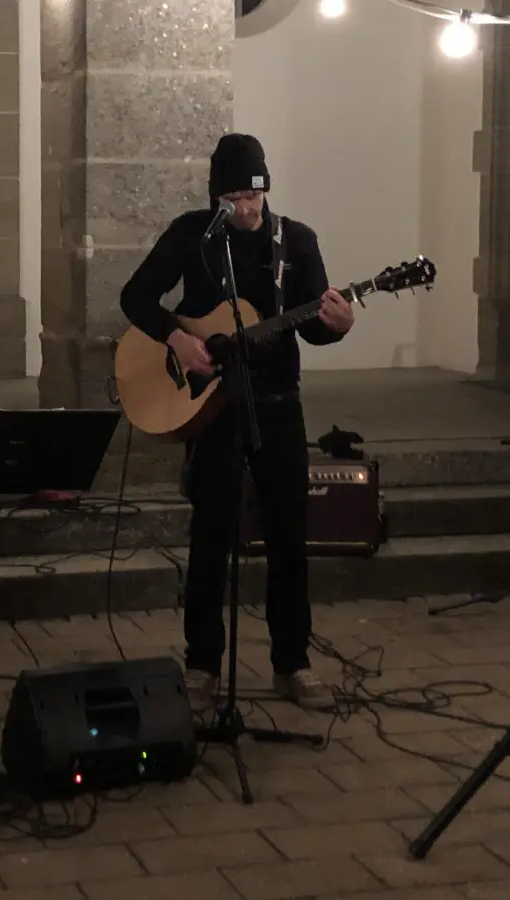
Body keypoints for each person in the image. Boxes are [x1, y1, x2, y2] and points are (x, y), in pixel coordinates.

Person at [119, 133, 355, 715]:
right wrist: (178, 336)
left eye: (252, 195)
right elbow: (135, 297)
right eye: (231, 198)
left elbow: (313, 326)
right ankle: (201, 664)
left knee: (287, 535)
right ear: (214, 196)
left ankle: (291, 662)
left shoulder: (296, 242)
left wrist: (340, 324)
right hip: (212, 407)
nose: (245, 209)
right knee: (211, 535)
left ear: (265, 188)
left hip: (276, 404)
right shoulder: (190, 235)